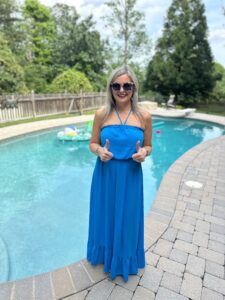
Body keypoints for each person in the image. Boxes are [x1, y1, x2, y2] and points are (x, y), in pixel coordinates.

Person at [86, 65, 152, 282]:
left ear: (134, 88)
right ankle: (105, 256)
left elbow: (149, 147)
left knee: (128, 219)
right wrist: (99, 151)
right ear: (110, 88)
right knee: (105, 215)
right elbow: (93, 143)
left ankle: (124, 259)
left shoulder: (144, 116)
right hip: (106, 175)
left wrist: (144, 152)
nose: (121, 90)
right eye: (116, 85)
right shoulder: (101, 114)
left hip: (131, 176)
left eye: (127, 85)